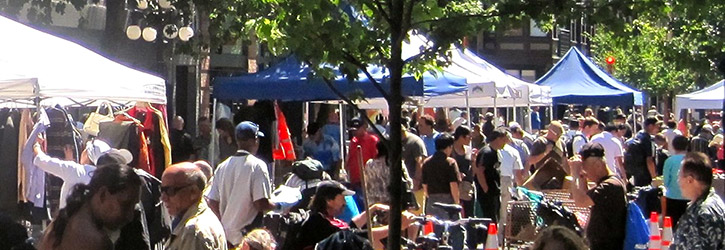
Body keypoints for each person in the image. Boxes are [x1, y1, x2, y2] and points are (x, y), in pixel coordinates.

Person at [39, 164, 142, 250]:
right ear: (103, 194)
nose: (130, 216)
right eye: (126, 205)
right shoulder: (96, 241)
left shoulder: (69, 216)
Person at [207, 121, 277, 246]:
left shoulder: (222, 166)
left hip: (225, 237)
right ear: (254, 140)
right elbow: (260, 203)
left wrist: (223, 225)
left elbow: (212, 202)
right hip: (247, 238)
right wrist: (279, 204)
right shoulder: (257, 166)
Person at [293, 180, 415, 250]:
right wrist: (395, 227)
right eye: (342, 198)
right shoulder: (317, 222)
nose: (345, 203)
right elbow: (352, 235)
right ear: (329, 200)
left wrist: (373, 209)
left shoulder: (328, 219)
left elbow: (350, 228)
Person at [568, 143, 627, 250]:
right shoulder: (606, 183)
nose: (585, 172)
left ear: (598, 165)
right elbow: (585, 195)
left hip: (608, 245)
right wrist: (581, 177)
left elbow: (581, 201)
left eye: (586, 168)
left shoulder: (610, 186)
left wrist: (575, 173)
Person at [161, 163, 226, 250]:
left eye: (170, 190)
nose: (163, 198)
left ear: (193, 192)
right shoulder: (202, 218)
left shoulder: (193, 231)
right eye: (162, 190)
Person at [671, 152, 725, 250]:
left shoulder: (704, 215)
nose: (678, 181)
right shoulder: (710, 201)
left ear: (690, 180)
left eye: (679, 176)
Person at [422, 133, 465, 250]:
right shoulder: (450, 162)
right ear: (448, 147)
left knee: (433, 233)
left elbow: (425, 186)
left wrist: (430, 198)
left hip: (432, 201)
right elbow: (453, 185)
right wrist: (457, 203)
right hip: (448, 200)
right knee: (457, 231)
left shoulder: (427, 162)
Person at [364, 140, 414, 206]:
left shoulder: (369, 164)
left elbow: (367, 184)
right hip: (393, 205)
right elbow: (408, 183)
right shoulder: (396, 163)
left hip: (374, 204)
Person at [524, 121, 569, 190]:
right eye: (557, 134)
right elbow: (531, 161)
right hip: (542, 179)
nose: (558, 137)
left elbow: (565, 161)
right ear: (550, 131)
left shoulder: (561, 143)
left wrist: (568, 176)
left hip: (558, 179)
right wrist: (545, 152)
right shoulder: (540, 142)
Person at [345, 117, 379, 207]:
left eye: (357, 129)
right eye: (353, 130)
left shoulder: (372, 140)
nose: (354, 132)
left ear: (364, 127)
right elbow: (350, 158)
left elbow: (377, 160)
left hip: (368, 181)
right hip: (355, 180)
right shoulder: (353, 141)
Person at [662, 135, 690, 230]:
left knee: (671, 227)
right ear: (687, 146)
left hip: (672, 197)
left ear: (673, 146)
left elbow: (666, 182)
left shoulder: (669, 161)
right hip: (690, 198)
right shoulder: (692, 160)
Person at [627, 117, 661, 186]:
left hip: (637, 172)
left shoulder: (639, 136)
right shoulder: (648, 140)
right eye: (657, 126)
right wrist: (654, 177)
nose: (658, 128)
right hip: (646, 174)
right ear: (651, 126)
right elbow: (649, 160)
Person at [451, 126, 475, 217]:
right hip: (455, 185)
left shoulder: (469, 150)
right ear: (461, 137)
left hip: (468, 185)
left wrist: (473, 160)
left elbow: (473, 169)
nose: (471, 139)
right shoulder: (450, 149)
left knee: (469, 212)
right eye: (469, 137)